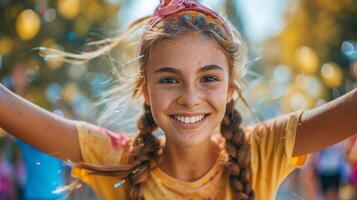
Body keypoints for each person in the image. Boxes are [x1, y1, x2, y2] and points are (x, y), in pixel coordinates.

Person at [0, 0, 356, 199]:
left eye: (209, 79)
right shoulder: (115, 158)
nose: (190, 97)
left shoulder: (262, 151)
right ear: (144, 88)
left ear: (231, 87)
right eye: (169, 79)